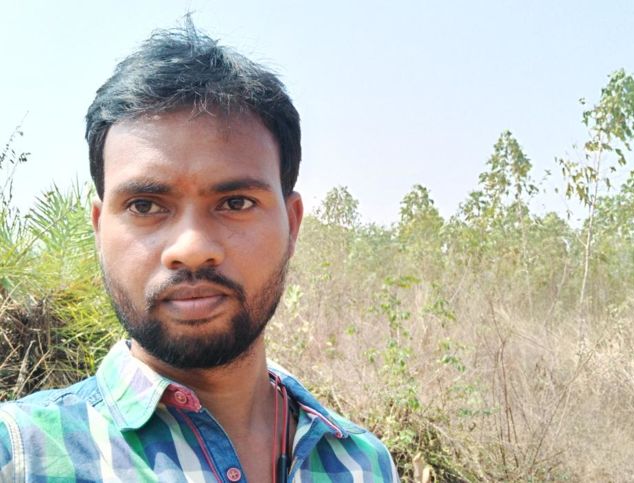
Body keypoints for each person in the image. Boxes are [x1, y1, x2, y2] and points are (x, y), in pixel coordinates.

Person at [0, 18, 399, 482]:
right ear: (99, 228)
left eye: (236, 203)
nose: (191, 249)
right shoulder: (20, 456)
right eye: (145, 205)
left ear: (291, 225)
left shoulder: (362, 463)